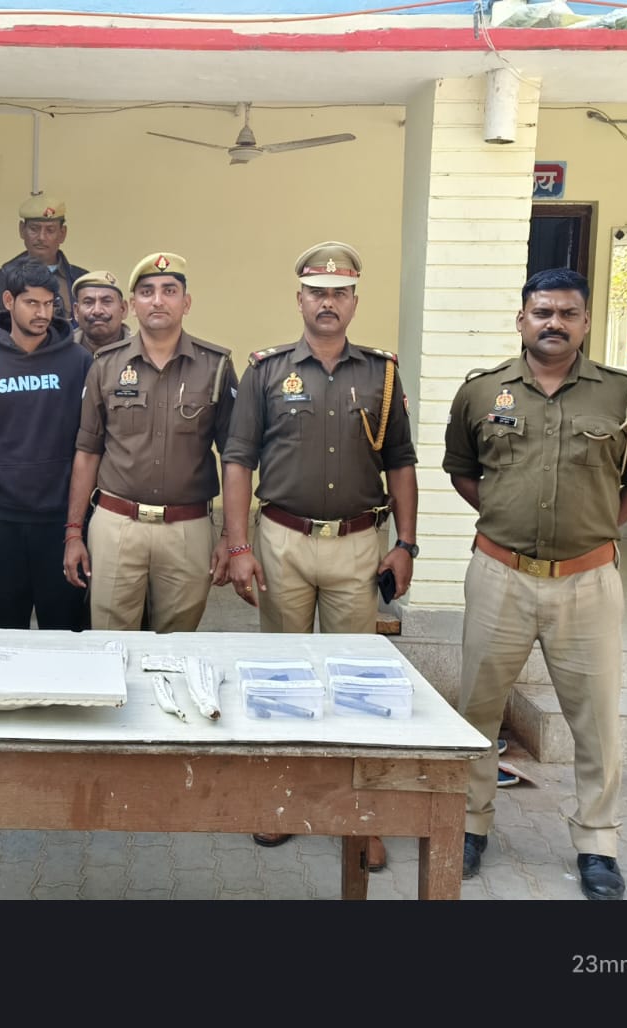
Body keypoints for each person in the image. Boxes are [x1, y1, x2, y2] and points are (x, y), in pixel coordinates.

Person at [443, 267, 627, 901]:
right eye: (542, 312)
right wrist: (506, 519)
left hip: (587, 584)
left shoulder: (625, 395)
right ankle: (469, 825)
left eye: (568, 313)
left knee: (596, 720)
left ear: (586, 322)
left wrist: (592, 531)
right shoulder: (482, 392)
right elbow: (463, 471)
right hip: (499, 577)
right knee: (478, 709)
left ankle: (598, 843)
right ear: (521, 320)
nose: (554, 323)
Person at [220, 241, 419, 849]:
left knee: (355, 680)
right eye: (317, 293)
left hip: (358, 546)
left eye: (339, 293)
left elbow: (401, 462)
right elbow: (238, 459)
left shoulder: (382, 374)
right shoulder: (266, 371)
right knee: (282, 678)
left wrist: (406, 544)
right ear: (299, 299)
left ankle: (358, 817)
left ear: (354, 301)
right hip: (282, 540)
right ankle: (282, 801)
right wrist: (237, 545)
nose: (327, 303)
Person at [64, 252, 236, 632]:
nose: (157, 300)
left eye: (169, 290)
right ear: (133, 304)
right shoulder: (105, 365)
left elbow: (233, 457)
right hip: (116, 525)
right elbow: (88, 452)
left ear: (186, 302)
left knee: (177, 643)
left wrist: (231, 536)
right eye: (147, 292)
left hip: (187, 529)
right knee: (111, 640)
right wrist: (74, 532)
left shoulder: (216, 366)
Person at [0, 259, 93, 630]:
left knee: (65, 631)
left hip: (61, 523)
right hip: (0, 523)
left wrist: (78, 527)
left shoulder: (79, 363)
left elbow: (91, 447)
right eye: (32, 303)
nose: (42, 313)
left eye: (49, 304)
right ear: (8, 301)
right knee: (5, 633)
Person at [0, 195, 87, 329]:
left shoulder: (82, 280)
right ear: (22, 230)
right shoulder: (1, 279)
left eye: (50, 230)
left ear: (62, 233)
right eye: (34, 229)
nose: (41, 237)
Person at [70, 270, 132, 355]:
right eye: (88, 302)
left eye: (106, 301)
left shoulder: (141, 353)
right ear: (76, 312)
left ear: (123, 309)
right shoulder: (61, 353)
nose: (97, 311)